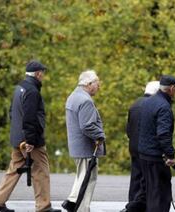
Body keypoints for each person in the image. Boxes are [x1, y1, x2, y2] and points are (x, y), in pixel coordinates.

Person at [0, 60, 61, 212]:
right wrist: (31, 140)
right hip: (30, 141)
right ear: (38, 74)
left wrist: (19, 136)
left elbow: (12, 113)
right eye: (43, 73)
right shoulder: (32, 91)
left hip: (17, 138)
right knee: (41, 170)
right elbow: (30, 117)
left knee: (14, 169)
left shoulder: (19, 88)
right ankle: (43, 206)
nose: (44, 76)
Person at [61, 70, 106, 212]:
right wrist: (100, 135)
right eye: (97, 84)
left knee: (82, 176)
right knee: (88, 179)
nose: (98, 87)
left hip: (77, 147)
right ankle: (82, 208)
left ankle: (72, 201)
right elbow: (87, 126)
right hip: (86, 148)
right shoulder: (85, 100)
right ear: (88, 84)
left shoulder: (73, 96)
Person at [138, 75, 175, 212]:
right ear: (172, 88)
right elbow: (163, 134)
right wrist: (171, 155)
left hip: (144, 155)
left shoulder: (148, 102)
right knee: (160, 197)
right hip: (156, 158)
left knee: (151, 195)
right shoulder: (164, 107)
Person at [121, 81, 160, 212]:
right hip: (147, 149)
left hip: (134, 146)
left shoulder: (134, 105)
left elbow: (128, 129)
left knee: (136, 177)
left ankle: (132, 203)